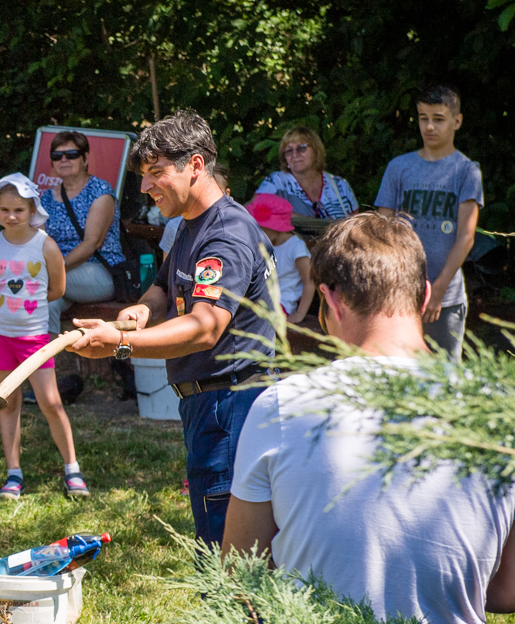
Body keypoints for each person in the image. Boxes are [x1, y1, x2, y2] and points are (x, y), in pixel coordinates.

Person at [224, 212, 515, 624]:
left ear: (330, 302)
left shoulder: (280, 406)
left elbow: (240, 577)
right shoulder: (508, 415)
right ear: (423, 296)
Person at [69, 110, 273, 546]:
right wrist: (140, 311)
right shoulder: (189, 225)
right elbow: (164, 285)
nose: (145, 188)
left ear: (196, 166)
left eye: (157, 173)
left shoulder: (227, 235)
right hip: (209, 405)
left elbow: (204, 328)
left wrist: (118, 344)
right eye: (144, 175)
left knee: (228, 557)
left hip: (230, 404)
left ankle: (239, 619)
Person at [0, 174, 85, 500]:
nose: (11, 216)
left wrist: (29, 308)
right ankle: (13, 475)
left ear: (32, 210)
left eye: (19, 210)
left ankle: (72, 470)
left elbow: (58, 289)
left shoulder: (46, 245)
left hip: (34, 338)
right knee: (7, 404)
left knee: (51, 402)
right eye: (5, 209)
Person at [375, 83, 481, 361]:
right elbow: (381, 229)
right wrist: (386, 284)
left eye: (438, 119)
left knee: (444, 380)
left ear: (456, 121)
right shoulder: (399, 167)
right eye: (424, 118)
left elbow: (466, 237)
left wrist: (439, 291)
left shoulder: (467, 171)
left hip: (445, 298)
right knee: (397, 375)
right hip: (397, 293)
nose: (429, 127)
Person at [41, 130, 122, 335]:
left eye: (71, 154)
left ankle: (1, 342)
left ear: (85, 158)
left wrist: (53, 270)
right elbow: (39, 242)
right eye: (57, 156)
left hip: (98, 272)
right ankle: (41, 362)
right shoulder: (45, 198)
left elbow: (91, 243)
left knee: (33, 284)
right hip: (60, 275)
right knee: (46, 304)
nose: (64, 160)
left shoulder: (100, 191)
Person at [254, 125, 359, 220]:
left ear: (316, 151)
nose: (295, 154)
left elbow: (356, 229)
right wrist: (300, 219)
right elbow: (254, 209)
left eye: (301, 148)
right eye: (289, 150)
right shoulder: (277, 182)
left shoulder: (340, 186)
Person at [247, 193, 314, 322]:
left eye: (261, 228)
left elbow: (310, 281)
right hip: (258, 299)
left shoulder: (295, 246)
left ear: (277, 228)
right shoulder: (262, 244)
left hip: (281, 304)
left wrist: (300, 314)